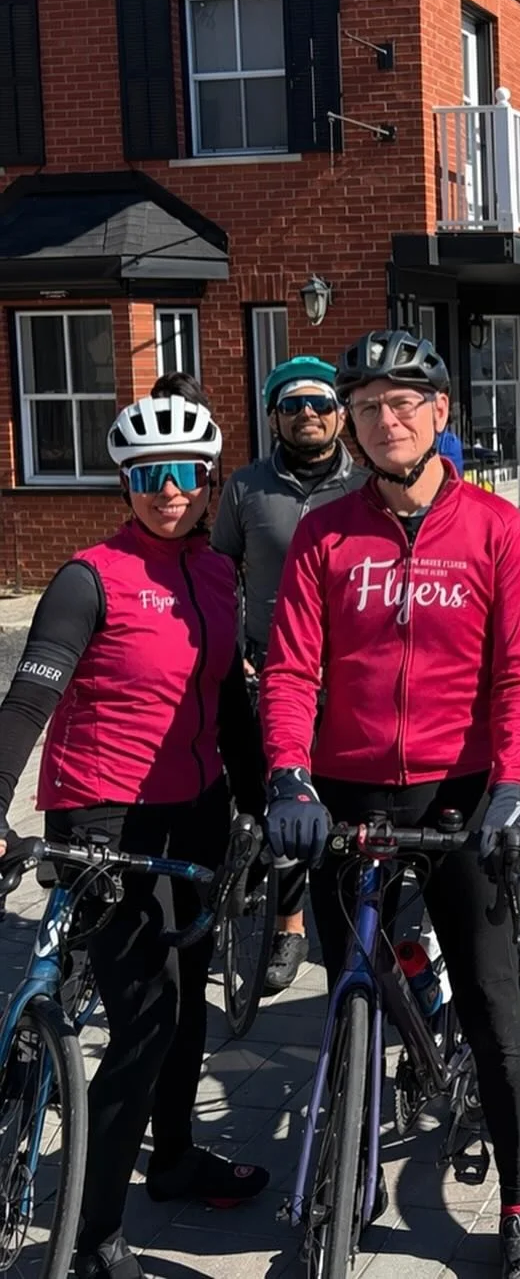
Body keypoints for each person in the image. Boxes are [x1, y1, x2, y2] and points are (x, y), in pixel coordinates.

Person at [260, 330, 520, 1279]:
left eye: (403, 403)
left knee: (493, 1007)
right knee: (360, 982)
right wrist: (287, 773)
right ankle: (356, 1135)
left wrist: (510, 786)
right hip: (345, 790)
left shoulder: (496, 530)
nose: (385, 420)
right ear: (349, 424)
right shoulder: (325, 532)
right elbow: (293, 666)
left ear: (440, 415)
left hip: (459, 793)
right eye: (368, 406)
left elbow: (516, 674)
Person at [0, 394, 268, 1279]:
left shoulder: (218, 577)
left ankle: (178, 1156)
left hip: (198, 811)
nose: (168, 491)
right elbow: (30, 701)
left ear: (207, 483)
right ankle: (90, 1235)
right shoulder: (90, 576)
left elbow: (232, 706)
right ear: (127, 482)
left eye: (185, 475)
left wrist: (269, 802)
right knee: (144, 1024)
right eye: (149, 476)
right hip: (104, 818)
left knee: (187, 1005)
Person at [211, 355, 367, 992]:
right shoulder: (246, 487)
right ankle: (290, 924)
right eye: (294, 404)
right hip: (271, 671)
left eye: (322, 404)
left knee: (349, 807)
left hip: (350, 674)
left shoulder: (365, 488)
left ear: (339, 416)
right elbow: (224, 574)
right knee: (278, 801)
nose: (309, 413)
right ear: (274, 415)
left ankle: (357, 924)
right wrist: (235, 646)